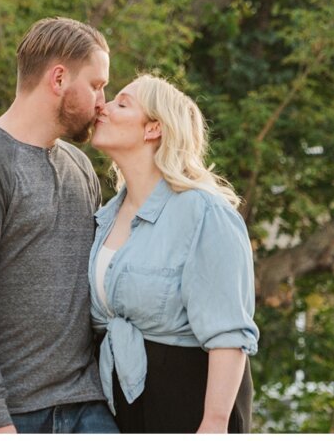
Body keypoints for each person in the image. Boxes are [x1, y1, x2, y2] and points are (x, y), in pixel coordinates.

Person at [0, 17, 119, 434]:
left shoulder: (80, 167)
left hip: (82, 403)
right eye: (95, 85)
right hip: (1, 414)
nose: (102, 101)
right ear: (58, 78)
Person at [88, 74, 259, 433]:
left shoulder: (204, 213)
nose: (102, 108)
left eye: (121, 103)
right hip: (126, 404)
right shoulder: (104, 217)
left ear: (153, 129)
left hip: (192, 403)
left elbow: (229, 334)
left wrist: (212, 425)